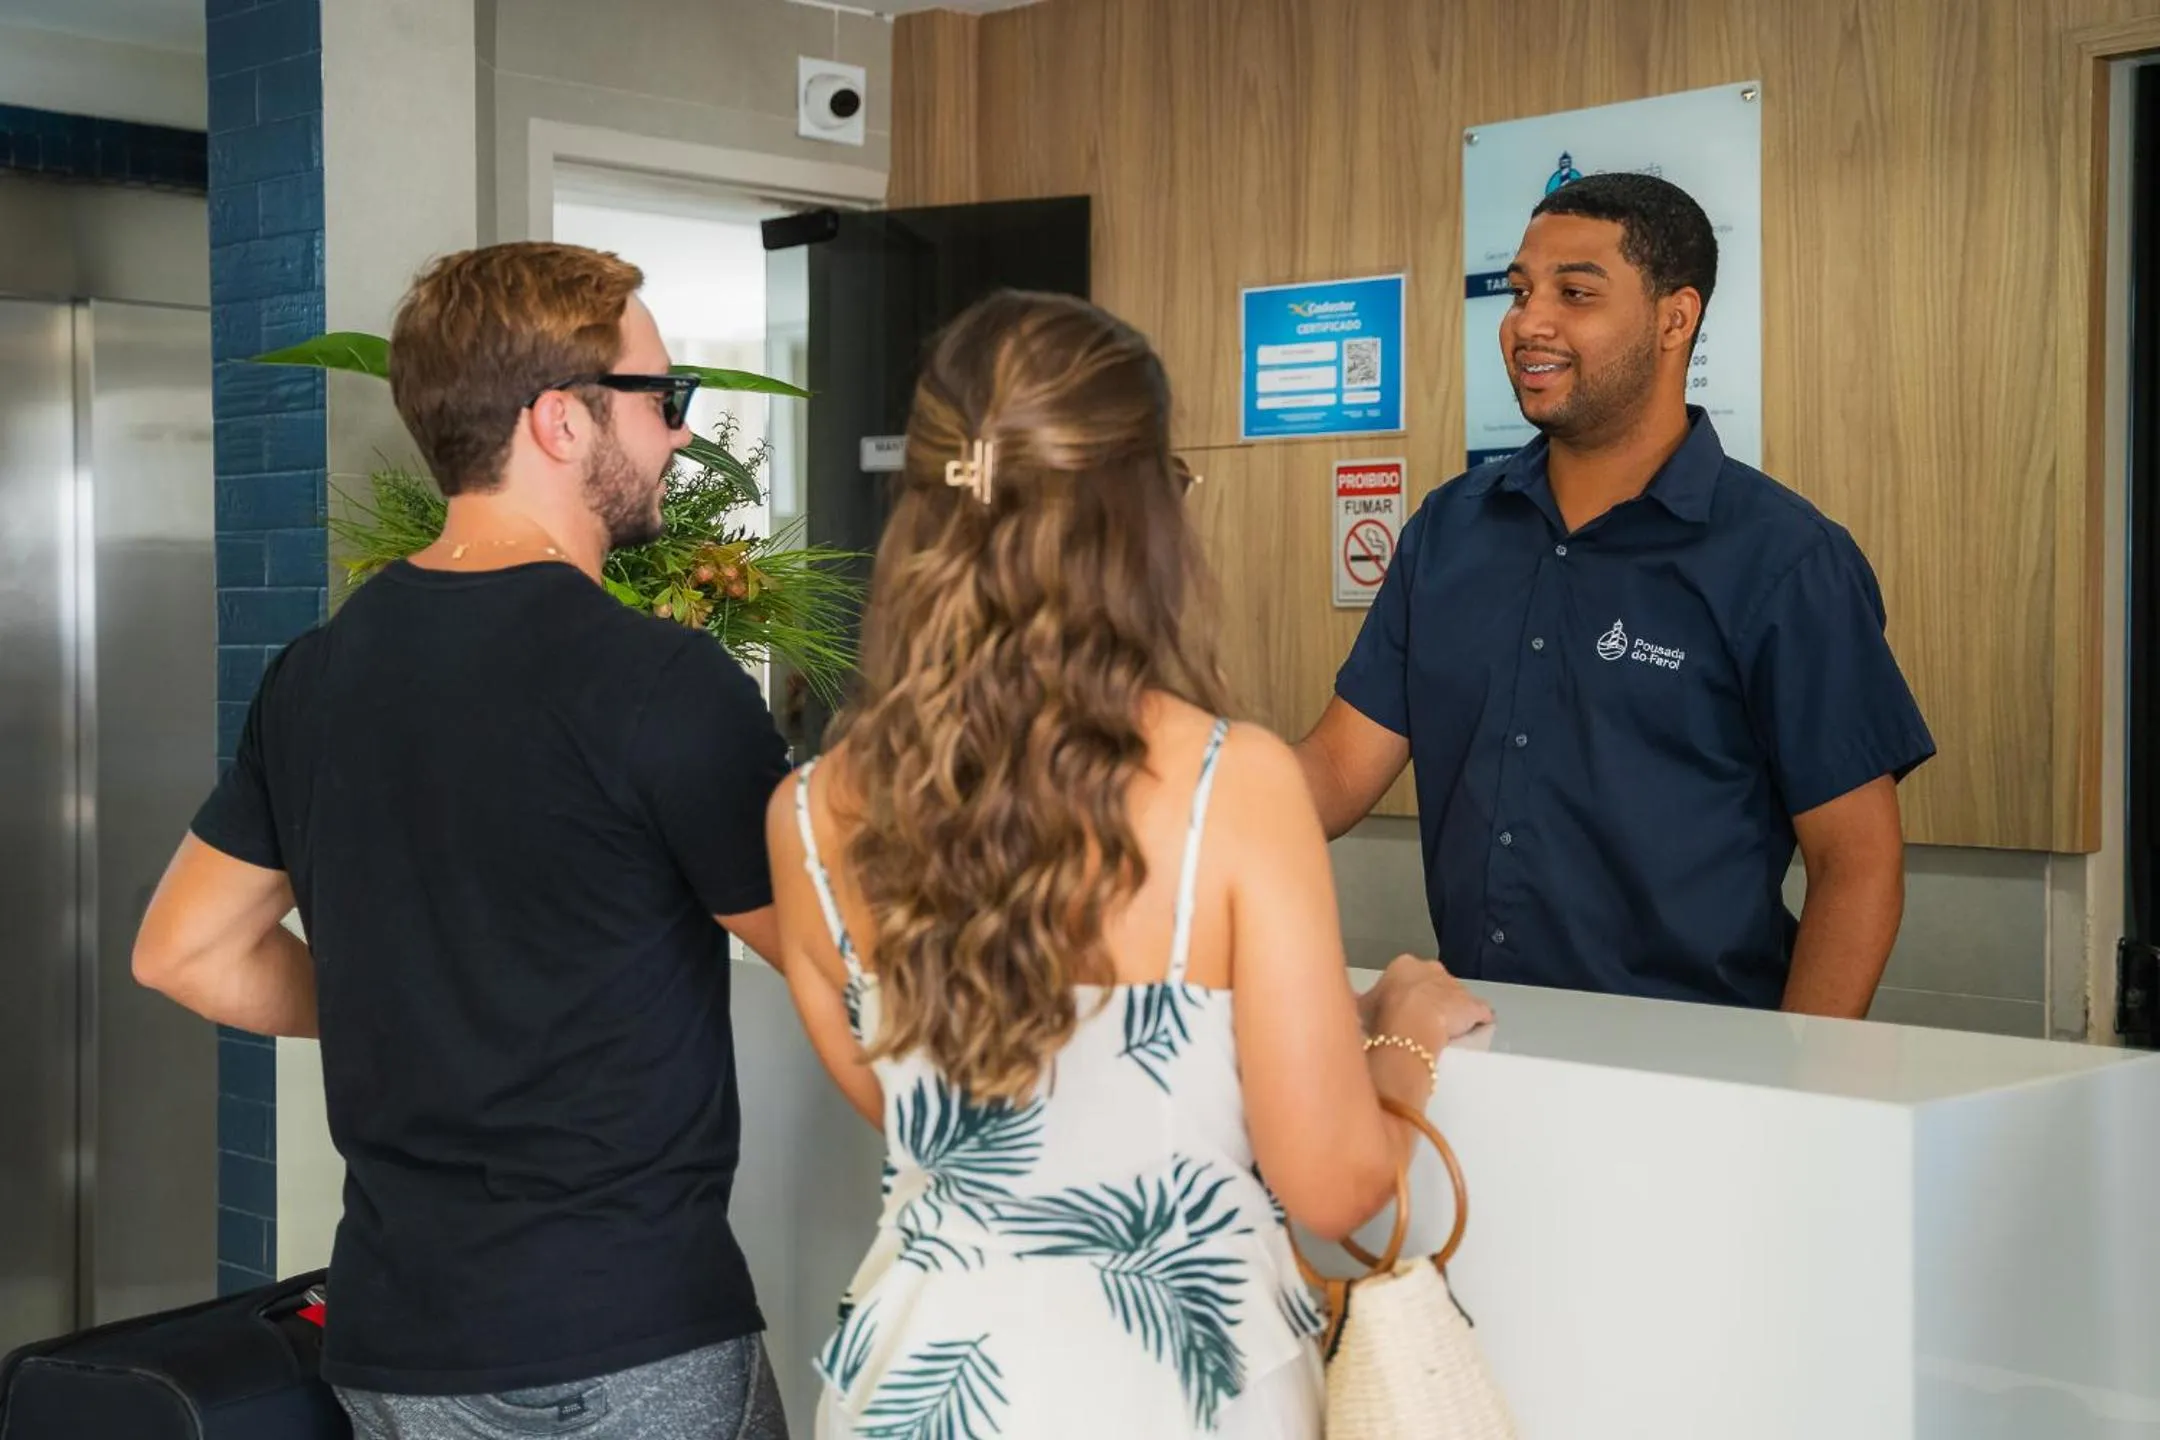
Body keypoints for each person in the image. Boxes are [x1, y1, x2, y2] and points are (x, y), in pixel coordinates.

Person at [766, 290, 1491, 1440]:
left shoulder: (807, 813)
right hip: (1170, 1386)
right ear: (1144, 516)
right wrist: (1401, 1031)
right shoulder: (1232, 787)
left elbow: (921, 1118)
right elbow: (1338, 1187)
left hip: (913, 1384)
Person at [132, 243, 792, 1439]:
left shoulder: (317, 677)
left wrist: (430, 997)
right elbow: (833, 949)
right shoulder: (659, 682)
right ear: (556, 421)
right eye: (662, 397)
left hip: (399, 1352)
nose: (679, 437)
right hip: (625, 1337)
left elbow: (185, 953)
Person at [1298, 173, 1935, 1017]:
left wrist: (1796, 1095)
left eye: (1576, 293)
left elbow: (1856, 866)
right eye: (1520, 290)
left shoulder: (1784, 560)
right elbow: (1337, 770)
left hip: (1699, 1068)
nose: (1530, 321)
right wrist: (1165, 783)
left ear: (1676, 318)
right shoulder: (1448, 534)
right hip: (1484, 1045)